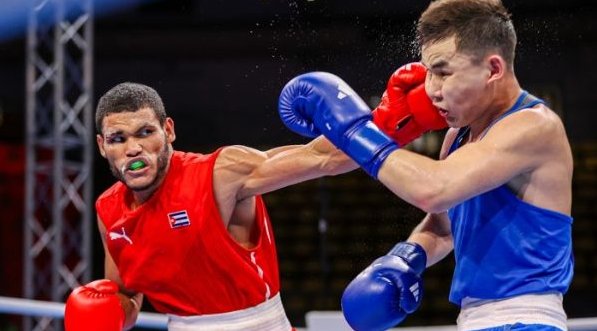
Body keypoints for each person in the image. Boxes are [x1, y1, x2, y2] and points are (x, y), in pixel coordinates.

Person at [278, 0, 574, 330]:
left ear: (493, 69)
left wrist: (356, 131)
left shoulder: (534, 126)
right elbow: (442, 226)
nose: (432, 89)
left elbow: (435, 190)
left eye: (444, 72)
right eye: (429, 72)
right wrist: (407, 256)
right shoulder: (459, 137)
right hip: (474, 317)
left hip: (526, 318)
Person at [64, 78, 444, 331]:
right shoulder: (108, 210)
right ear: (102, 146)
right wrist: (107, 314)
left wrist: (404, 116)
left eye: (145, 133)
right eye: (118, 138)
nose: (133, 148)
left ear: (168, 131)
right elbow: (127, 298)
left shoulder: (220, 173)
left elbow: (323, 158)